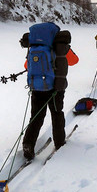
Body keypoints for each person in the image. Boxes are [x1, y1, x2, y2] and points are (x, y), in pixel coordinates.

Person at [19, 22, 78, 160]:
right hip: (56, 88)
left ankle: (28, 144)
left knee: (36, 117)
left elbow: (27, 65)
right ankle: (59, 142)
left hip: (37, 86)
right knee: (57, 114)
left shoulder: (35, 47)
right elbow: (75, 60)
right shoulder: (60, 46)